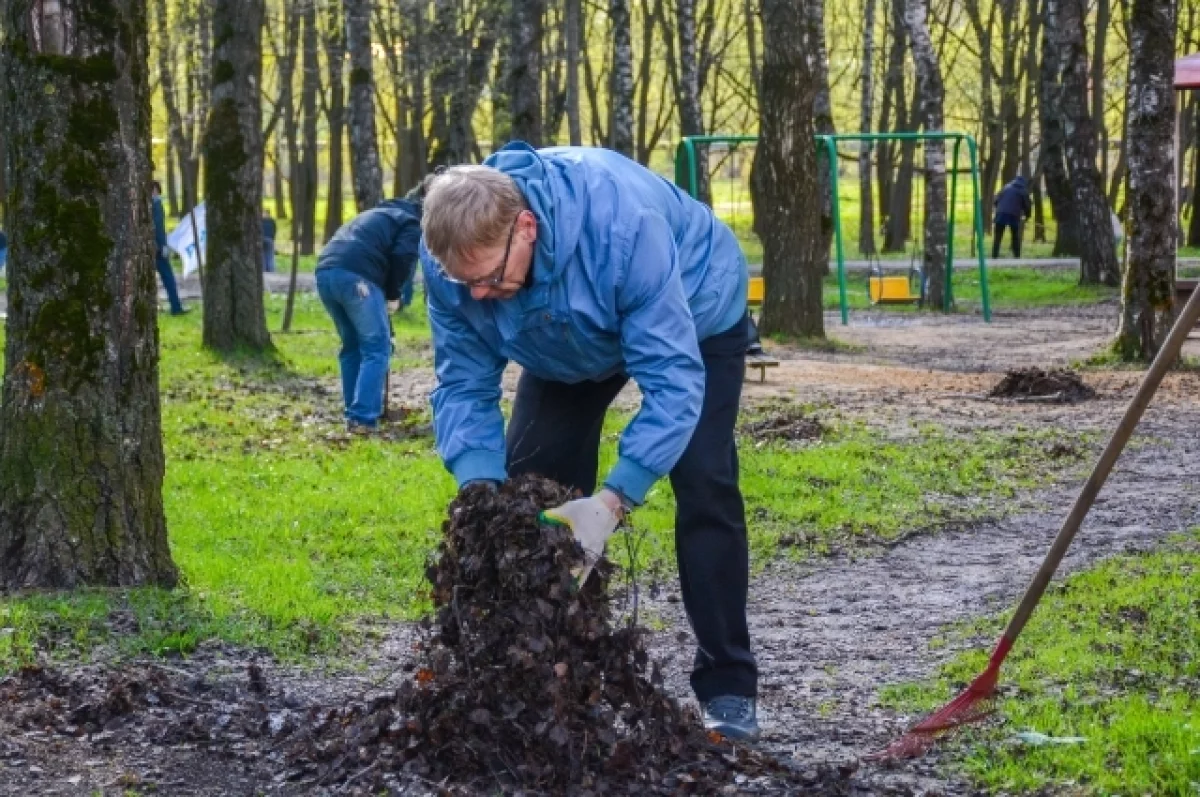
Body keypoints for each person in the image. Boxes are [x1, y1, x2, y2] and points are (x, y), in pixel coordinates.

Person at [418, 142, 758, 740]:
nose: (477, 295)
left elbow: (673, 383)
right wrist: (479, 490)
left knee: (703, 478)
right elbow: (464, 382)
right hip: (563, 335)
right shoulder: (457, 260)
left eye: (490, 278)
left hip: (696, 308)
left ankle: (728, 684)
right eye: (464, 281)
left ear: (526, 227)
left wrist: (615, 498)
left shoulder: (624, 228)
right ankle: (550, 678)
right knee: (530, 485)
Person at [315, 197, 423, 432]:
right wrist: (393, 294)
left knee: (352, 346)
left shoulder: (378, 214)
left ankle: (354, 414)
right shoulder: (411, 223)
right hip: (358, 279)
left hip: (325, 273)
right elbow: (403, 257)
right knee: (377, 347)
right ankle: (363, 418)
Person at [151, 181, 187, 315]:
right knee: (168, 277)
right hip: (158, 248)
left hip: (151, 247)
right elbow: (158, 227)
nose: (156, 193)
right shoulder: (156, 204)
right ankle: (176, 307)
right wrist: (163, 245)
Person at [992, 175, 1032, 259]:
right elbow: (1027, 206)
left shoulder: (1006, 187)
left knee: (998, 236)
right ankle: (1017, 256)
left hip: (1001, 213)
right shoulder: (1023, 191)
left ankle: (994, 256)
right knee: (1015, 236)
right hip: (1014, 215)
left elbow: (996, 200)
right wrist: (1027, 216)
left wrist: (999, 209)